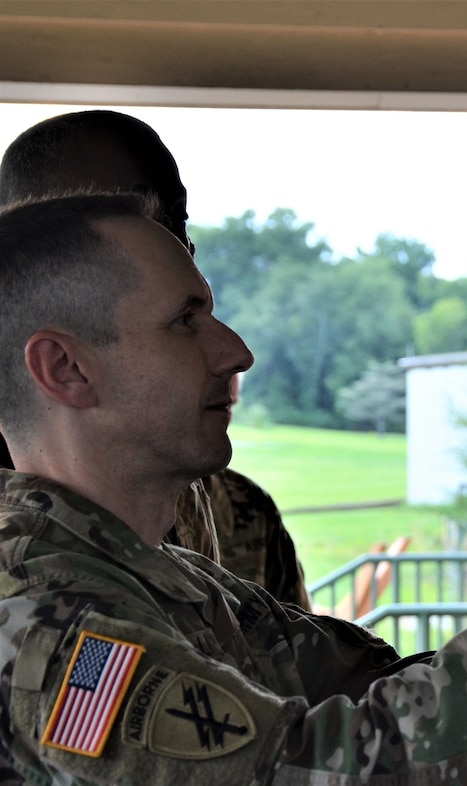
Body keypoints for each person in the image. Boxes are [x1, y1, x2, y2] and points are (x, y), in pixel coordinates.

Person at [0, 191, 467, 786]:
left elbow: (394, 695)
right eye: (184, 320)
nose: (234, 351)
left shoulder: (171, 581)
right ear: (66, 368)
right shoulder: (43, 618)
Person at [0, 109, 312, 609]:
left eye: (170, 220)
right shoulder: (24, 566)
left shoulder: (238, 510)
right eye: (100, 219)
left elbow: (310, 675)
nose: (237, 357)